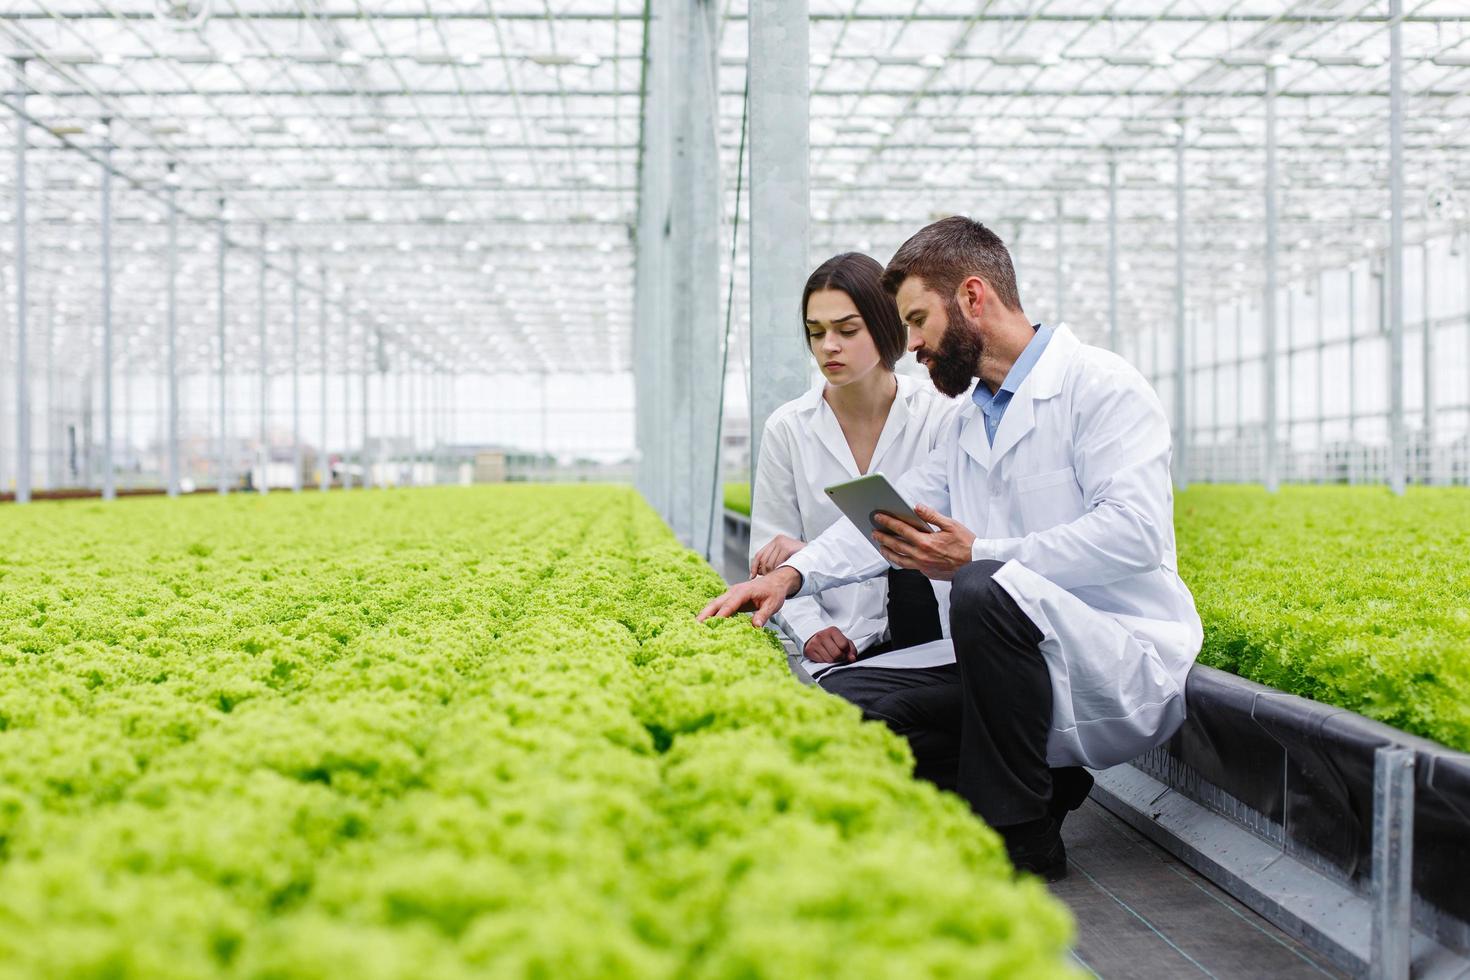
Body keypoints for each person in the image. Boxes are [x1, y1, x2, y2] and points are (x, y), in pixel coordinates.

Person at [699, 216, 1203, 882]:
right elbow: (888, 517)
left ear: (971, 298)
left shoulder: (1102, 387)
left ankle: (1022, 835)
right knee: (843, 705)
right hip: (1005, 666)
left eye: (916, 322)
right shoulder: (968, 418)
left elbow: (1135, 534)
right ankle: (1041, 791)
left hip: (1109, 652)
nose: (908, 346)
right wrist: (790, 577)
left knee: (984, 586)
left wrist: (981, 555)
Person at [748, 252, 961, 693]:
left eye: (847, 330)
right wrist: (808, 628)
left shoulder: (941, 416)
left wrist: (811, 551)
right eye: (815, 332)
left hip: (936, 630)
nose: (829, 346)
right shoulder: (788, 428)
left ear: (886, 326)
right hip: (841, 639)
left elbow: (961, 534)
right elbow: (768, 554)